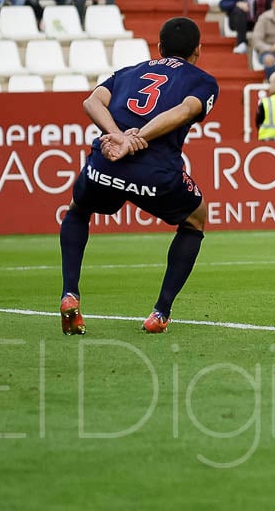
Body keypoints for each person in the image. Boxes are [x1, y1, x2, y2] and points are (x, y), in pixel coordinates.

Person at [58, 17, 219, 335]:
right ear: (198, 50)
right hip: (155, 172)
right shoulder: (203, 81)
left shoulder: (130, 72)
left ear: (158, 47)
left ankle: (69, 294)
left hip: (106, 164)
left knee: (78, 210)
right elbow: (185, 110)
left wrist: (117, 136)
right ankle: (160, 313)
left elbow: (91, 102)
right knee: (195, 220)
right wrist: (135, 138)